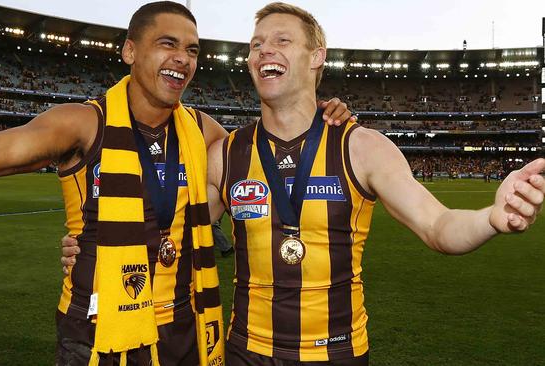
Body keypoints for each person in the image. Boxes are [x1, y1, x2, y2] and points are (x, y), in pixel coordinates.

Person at [0, 2, 353, 365]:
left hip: (183, 326)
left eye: (192, 50)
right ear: (131, 51)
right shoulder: (83, 123)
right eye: (167, 44)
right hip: (96, 325)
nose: (182, 58)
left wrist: (323, 114)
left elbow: (274, 148)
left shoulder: (205, 130)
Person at [200, 3, 543, 365]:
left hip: (337, 353)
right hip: (246, 351)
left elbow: (438, 226)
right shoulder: (226, 154)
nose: (264, 49)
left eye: (282, 40)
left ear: (317, 56)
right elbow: (173, 231)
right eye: (256, 44)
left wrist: (491, 217)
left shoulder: (363, 147)